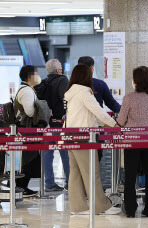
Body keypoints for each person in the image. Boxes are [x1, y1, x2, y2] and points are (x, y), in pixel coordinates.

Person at [64, 64, 120, 215]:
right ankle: (100, 206)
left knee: (75, 173)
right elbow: (99, 112)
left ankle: (78, 207)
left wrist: (105, 124)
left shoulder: (71, 93)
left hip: (71, 137)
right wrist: (115, 125)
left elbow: (90, 116)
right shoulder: (84, 93)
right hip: (84, 139)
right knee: (91, 174)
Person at [117, 66, 148, 218]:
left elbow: (121, 121)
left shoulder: (129, 98)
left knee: (130, 176)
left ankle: (130, 209)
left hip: (132, 141)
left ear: (135, 80)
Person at [35, 59, 70, 191]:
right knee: (65, 153)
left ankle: (49, 183)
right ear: (58, 70)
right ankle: (69, 183)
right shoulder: (63, 80)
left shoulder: (43, 82)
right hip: (59, 123)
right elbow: (65, 99)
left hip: (46, 123)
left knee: (47, 154)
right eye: (60, 67)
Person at [77, 56, 121, 162]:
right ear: (92, 68)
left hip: (76, 129)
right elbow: (113, 105)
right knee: (95, 160)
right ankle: (93, 178)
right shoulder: (99, 84)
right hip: (96, 128)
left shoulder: (72, 86)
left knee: (78, 163)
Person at [14, 65, 43, 197]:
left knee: (29, 158)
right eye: (36, 74)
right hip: (27, 129)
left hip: (25, 129)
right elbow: (30, 112)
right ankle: (21, 187)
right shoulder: (26, 91)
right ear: (30, 76)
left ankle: (22, 186)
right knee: (28, 159)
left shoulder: (26, 89)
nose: (37, 76)